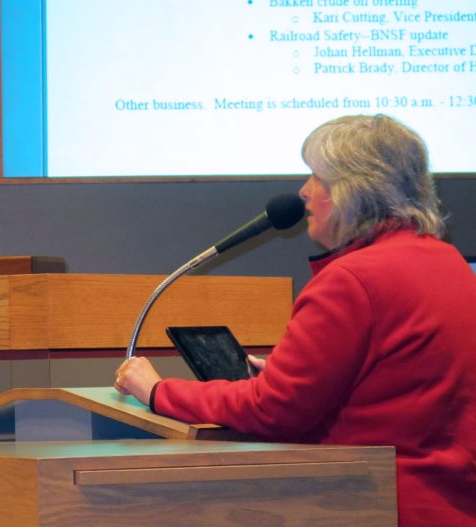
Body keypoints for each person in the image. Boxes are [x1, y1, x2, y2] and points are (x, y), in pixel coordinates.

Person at [114, 114, 476, 527]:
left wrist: (157, 391)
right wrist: (301, 377)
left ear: (352, 191)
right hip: (450, 502)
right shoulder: (446, 260)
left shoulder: (352, 280)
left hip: (376, 504)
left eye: (316, 178)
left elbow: (273, 412)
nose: (303, 192)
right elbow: (406, 384)